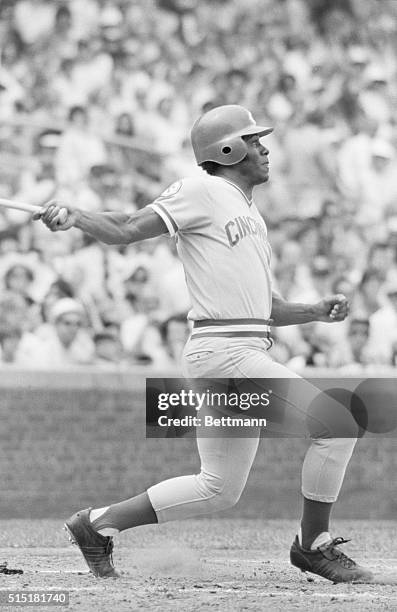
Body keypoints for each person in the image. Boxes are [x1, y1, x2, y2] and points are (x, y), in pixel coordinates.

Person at [35, 105, 372, 583]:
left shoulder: (247, 210)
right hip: (226, 352)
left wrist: (312, 311)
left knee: (219, 489)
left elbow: (263, 306)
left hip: (236, 346)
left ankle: (95, 525)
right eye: (254, 141)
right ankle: (312, 546)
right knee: (337, 423)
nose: (264, 148)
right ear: (227, 149)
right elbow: (130, 226)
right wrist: (78, 217)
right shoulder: (204, 188)